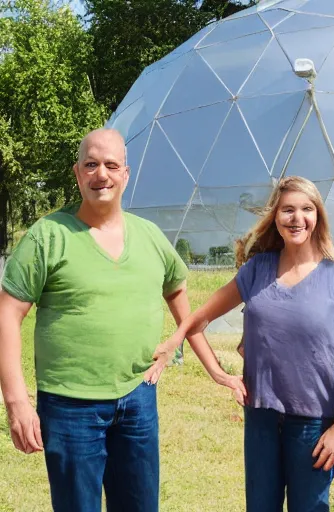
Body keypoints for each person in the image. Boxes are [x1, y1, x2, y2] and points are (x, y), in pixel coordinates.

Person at [0, 128, 244, 512]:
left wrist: (214, 368)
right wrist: (16, 401)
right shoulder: (48, 236)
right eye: (91, 164)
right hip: (69, 406)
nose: (102, 174)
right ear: (77, 172)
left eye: (111, 165)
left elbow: (180, 296)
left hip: (138, 399)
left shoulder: (148, 236)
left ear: (126, 174)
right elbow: (7, 315)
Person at [163, 176, 334, 512]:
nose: (297, 218)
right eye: (287, 209)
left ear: (318, 216)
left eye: (306, 209)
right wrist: (218, 373)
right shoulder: (257, 270)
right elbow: (197, 320)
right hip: (261, 419)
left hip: (315, 424)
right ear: (275, 216)